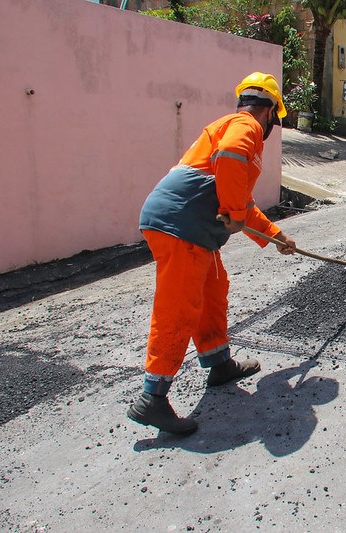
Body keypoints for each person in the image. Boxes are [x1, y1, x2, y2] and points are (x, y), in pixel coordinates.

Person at [127, 72, 297, 435]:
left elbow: (241, 201)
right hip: (180, 225)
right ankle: (152, 398)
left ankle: (218, 363)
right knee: (179, 305)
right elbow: (233, 161)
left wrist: (276, 235)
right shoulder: (244, 126)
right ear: (270, 112)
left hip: (191, 228)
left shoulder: (233, 125)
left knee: (212, 291)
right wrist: (235, 214)